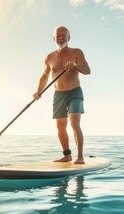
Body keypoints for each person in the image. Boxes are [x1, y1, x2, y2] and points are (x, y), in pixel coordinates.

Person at [33, 25, 91, 164]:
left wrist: (76, 66)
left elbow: (88, 70)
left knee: (74, 121)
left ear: (69, 37)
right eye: (58, 35)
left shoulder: (77, 52)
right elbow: (44, 77)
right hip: (58, 94)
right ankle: (67, 155)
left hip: (74, 92)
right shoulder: (49, 57)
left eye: (64, 35)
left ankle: (80, 157)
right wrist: (38, 92)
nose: (61, 37)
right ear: (54, 38)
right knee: (60, 125)